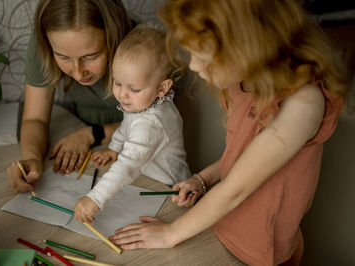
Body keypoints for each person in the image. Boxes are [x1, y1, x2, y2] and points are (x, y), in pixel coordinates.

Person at [109, 0, 348, 265]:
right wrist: (203, 179)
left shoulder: (303, 105)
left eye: (203, 56)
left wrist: (170, 234)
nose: (194, 67)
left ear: (248, 45)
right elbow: (242, 156)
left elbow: (237, 188)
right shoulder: (242, 82)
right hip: (221, 227)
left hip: (259, 251)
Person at [7, 0, 134, 193]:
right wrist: (32, 158)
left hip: (139, 147)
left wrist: (93, 134)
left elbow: (158, 123)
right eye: (63, 57)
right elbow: (35, 118)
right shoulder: (47, 41)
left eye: (90, 56)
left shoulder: (141, 46)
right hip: (89, 134)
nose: (78, 73)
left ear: (114, 37)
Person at [73, 24, 191, 223]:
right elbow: (126, 127)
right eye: (118, 83)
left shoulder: (151, 122)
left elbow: (127, 165)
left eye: (134, 88)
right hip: (146, 179)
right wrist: (114, 148)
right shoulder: (140, 104)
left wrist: (95, 198)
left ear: (162, 88)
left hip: (169, 191)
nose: (122, 94)